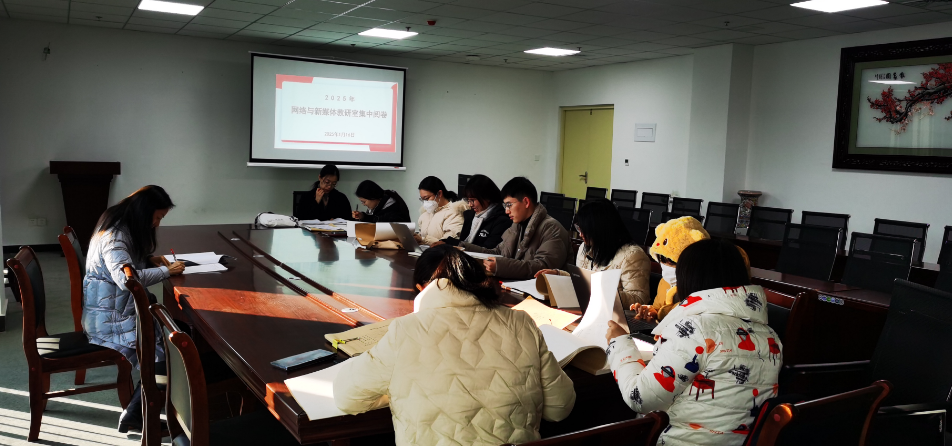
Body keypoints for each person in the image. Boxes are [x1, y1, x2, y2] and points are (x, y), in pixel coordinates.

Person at [334, 245, 576, 446]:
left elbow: (347, 398)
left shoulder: (405, 330)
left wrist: (397, 388)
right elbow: (559, 408)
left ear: (421, 288)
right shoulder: (521, 322)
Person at [604, 239, 782, 445]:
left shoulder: (694, 328)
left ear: (689, 278)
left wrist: (619, 342)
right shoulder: (770, 335)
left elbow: (640, 398)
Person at [82, 185, 185, 432]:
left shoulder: (119, 222)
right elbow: (125, 280)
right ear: (144, 211)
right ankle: (135, 414)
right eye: (157, 217)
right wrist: (166, 271)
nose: (157, 223)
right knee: (169, 349)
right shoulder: (115, 236)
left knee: (175, 334)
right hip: (110, 319)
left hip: (114, 309)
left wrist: (150, 260)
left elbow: (125, 263)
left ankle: (155, 402)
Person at [535, 199, 651, 307]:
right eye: (579, 228)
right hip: (586, 309)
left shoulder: (632, 256)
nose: (580, 234)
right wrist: (559, 275)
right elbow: (583, 283)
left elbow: (639, 299)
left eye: (585, 230)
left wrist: (602, 291)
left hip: (612, 317)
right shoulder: (585, 247)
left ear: (599, 229)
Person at [461, 177, 570, 279]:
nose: (506, 211)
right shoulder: (517, 225)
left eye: (509, 205)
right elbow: (498, 252)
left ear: (526, 202)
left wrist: (501, 266)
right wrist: (463, 248)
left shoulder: (552, 229)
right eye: (505, 206)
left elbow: (542, 267)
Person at [437, 174, 510, 249]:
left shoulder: (502, 221)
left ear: (487, 197)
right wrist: (446, 242)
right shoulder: (470, 215)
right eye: (468, 200)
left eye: (472, 200)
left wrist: (451, 242)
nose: (470, 204)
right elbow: (465, 242)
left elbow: (488, 249)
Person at [415, 176, 466, 245]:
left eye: (427, 198)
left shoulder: (454, 213)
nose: (425, 202)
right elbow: (422, 234)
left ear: (439, 194)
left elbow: (448, 242)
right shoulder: (425, 214)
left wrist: (423, 239)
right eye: (422, 199)